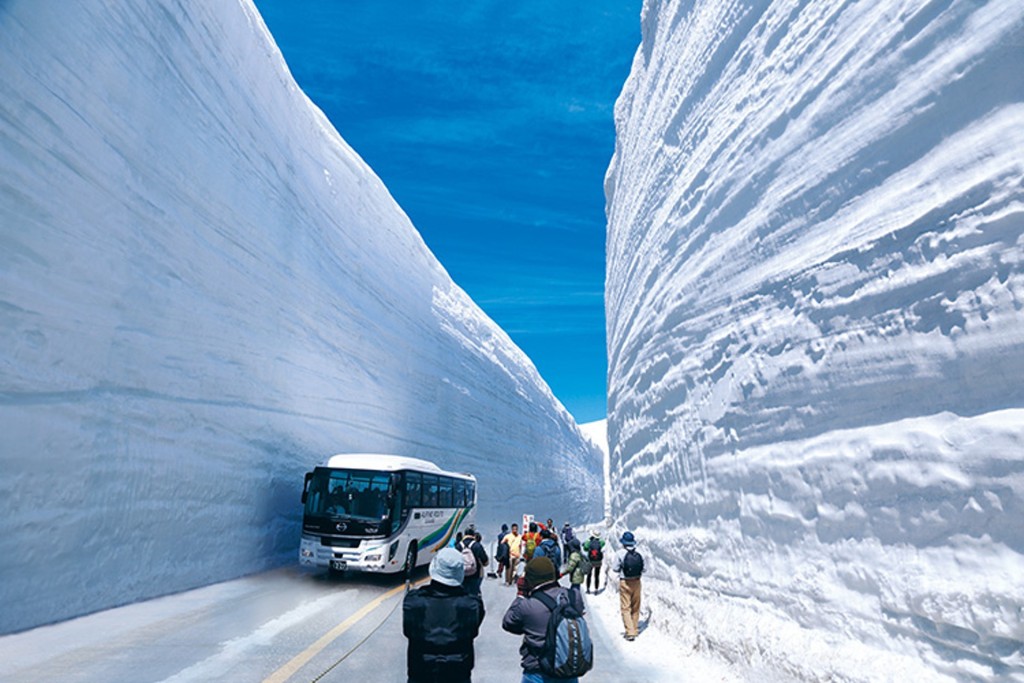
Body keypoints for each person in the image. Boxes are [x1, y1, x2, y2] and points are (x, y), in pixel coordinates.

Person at [403, 547, 485, 682]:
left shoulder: (413, 601)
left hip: (421, 673)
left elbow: (408, 631)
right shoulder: (472, 604)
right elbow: (473, 631)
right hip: (458, 674)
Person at [502, 556, 586, 683]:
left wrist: (520, 594)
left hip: (537, 671)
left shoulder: (527, 606)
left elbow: (508, 623)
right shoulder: (574, 597)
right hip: (567, 670)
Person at [613, 531, 645, 641]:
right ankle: (635, 628)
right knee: (636, 606)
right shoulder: (639, 553)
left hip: (625, 582)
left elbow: (614, 568)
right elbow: (644, 569)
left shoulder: (619, 553)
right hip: (637, 582)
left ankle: (630, 631)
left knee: (625, 607)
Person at [459, 527, 489, 596]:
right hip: (476, 574)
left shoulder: (458, 545)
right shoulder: (477, 545)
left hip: (462, 575)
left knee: (463, 593)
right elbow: (485, 561)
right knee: (475, 594)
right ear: (473, 535)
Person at [562, 537, 587, 608]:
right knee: (576, 589)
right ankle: (579, 604)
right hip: (579, 574)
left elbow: (570, 568)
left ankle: (577, 605)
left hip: (576, 575)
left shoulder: (574, 555)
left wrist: (562, 574)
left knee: (575, 591)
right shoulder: (579, 553)